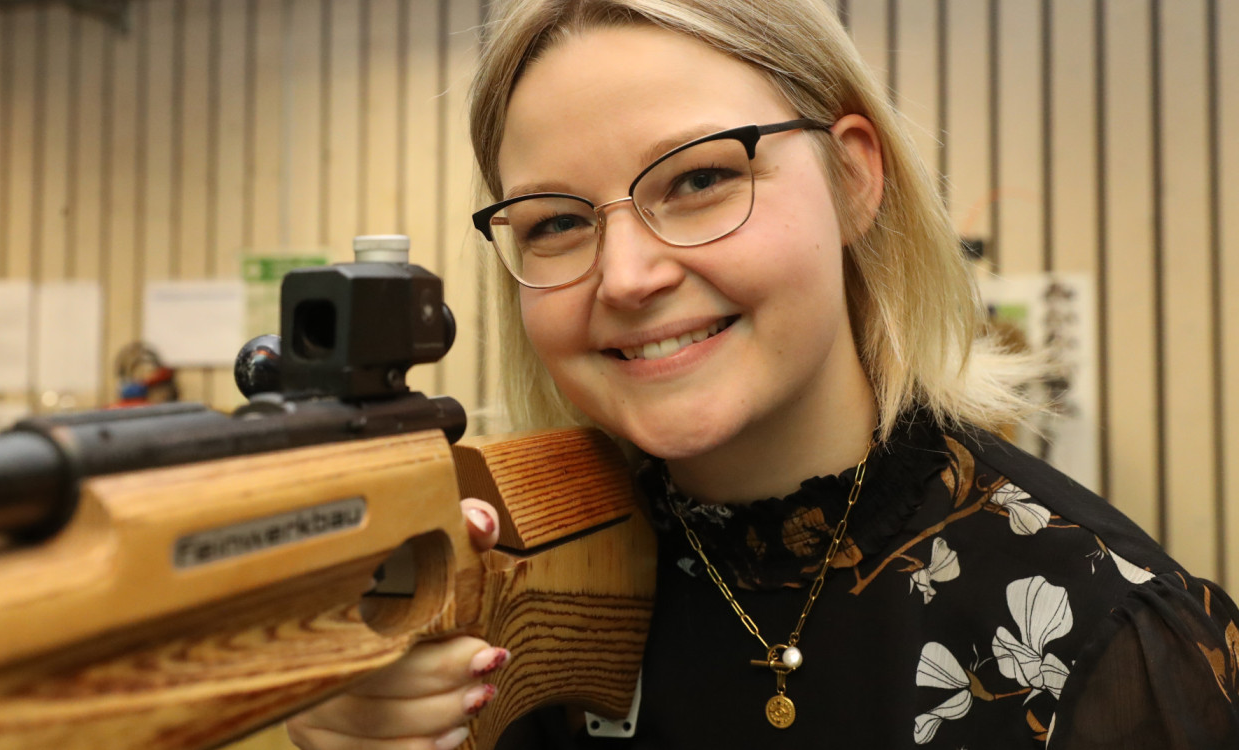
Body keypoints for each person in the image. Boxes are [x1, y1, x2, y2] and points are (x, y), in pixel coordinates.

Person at [286, 1, 1239, 748]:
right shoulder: (513, 607)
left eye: (700, 179)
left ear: (855, 179)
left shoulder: (1106, 634)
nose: (627, 277)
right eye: (556, 221)